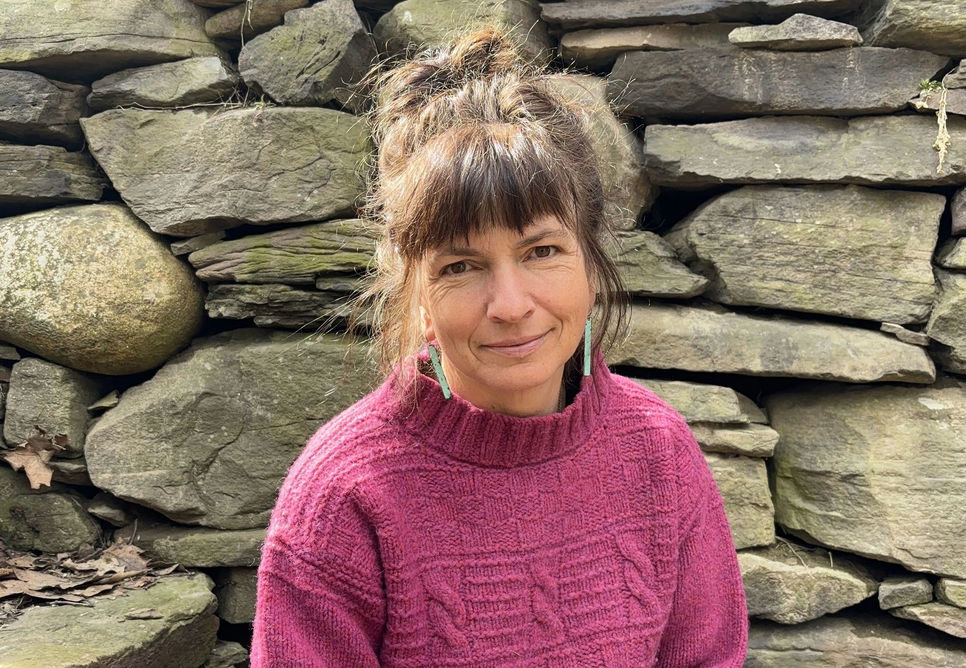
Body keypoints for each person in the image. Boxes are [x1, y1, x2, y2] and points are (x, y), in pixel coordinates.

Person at [249, 26, 748, 668]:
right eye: (460, 266)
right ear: (418, 293)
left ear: (591, 266)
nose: (510, 305)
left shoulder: (659, 452)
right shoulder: (343, 495)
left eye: (542, 251)